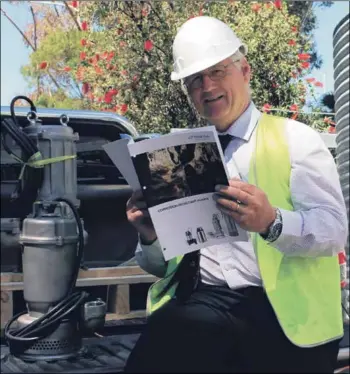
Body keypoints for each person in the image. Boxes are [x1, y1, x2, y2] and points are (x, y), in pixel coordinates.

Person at [124, 16, 348, 373]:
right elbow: (160, 266)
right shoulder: (176, 155)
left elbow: (334, 230)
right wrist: (150, 235)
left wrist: (272, 222)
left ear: (244, 71)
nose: (206, 85)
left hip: (285, 320)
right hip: (206, 303)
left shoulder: (296, 139)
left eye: (217, 71)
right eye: (195, 79)